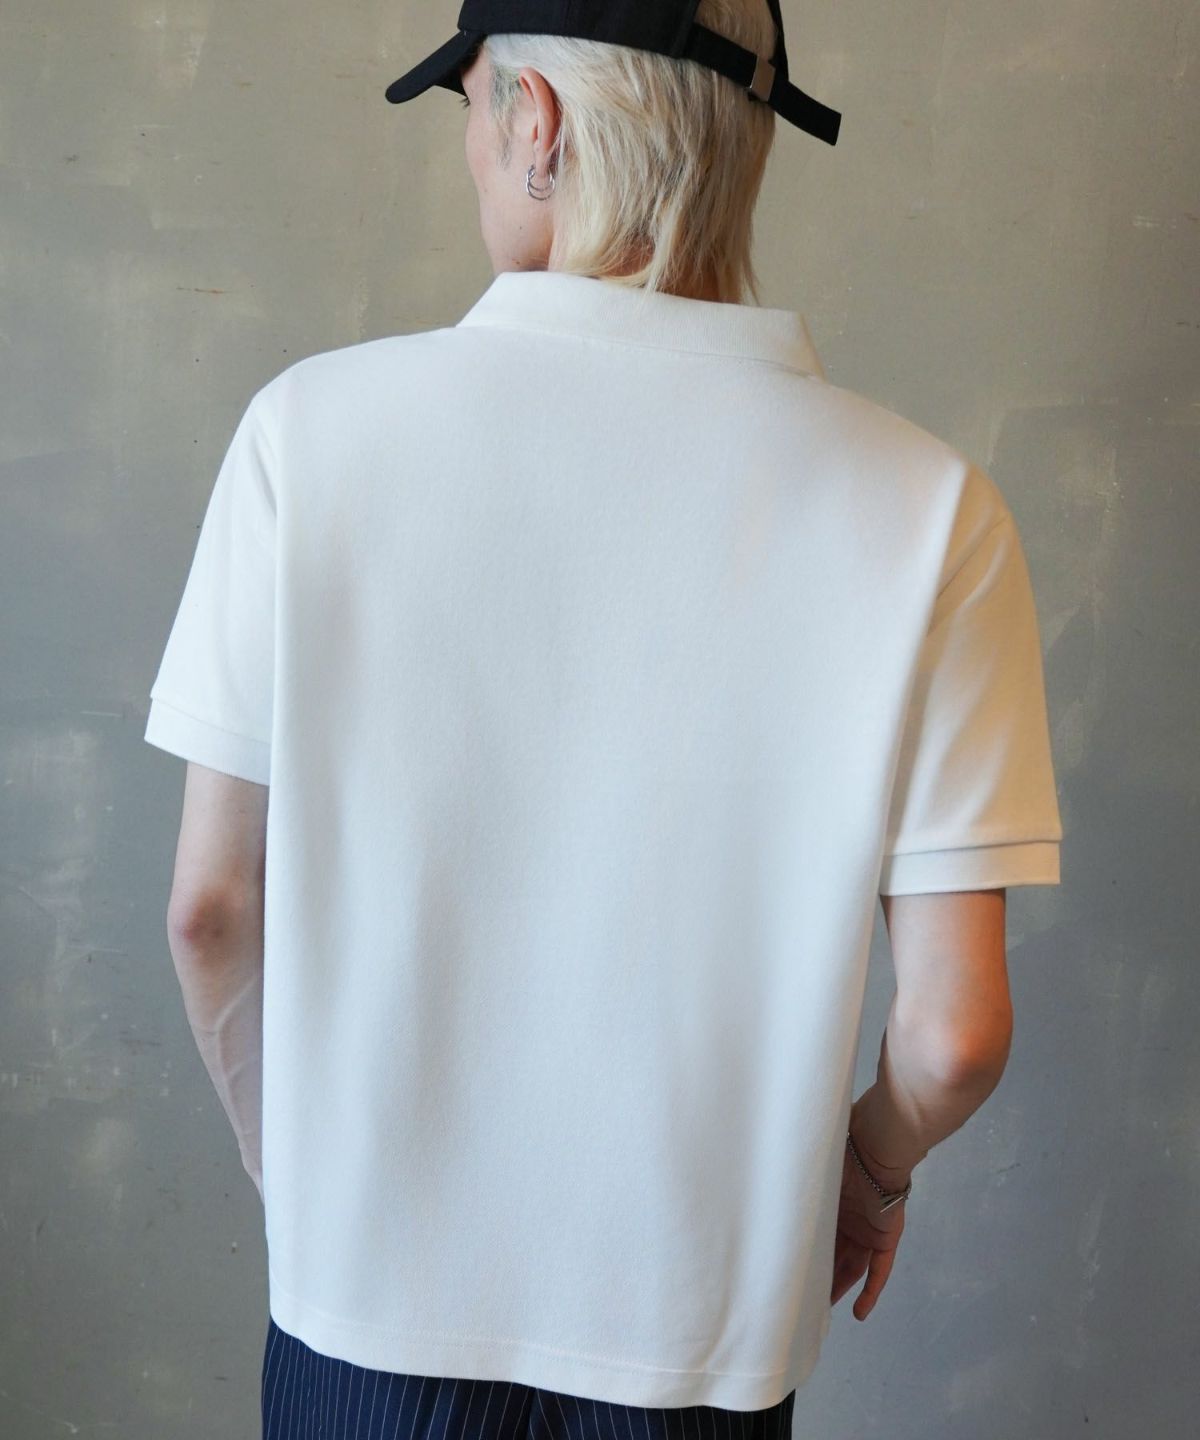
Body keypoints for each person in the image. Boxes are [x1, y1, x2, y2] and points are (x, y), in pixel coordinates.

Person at [143, 4, 1064, 1438]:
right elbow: (954, 1036)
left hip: (362, 1333)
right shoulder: (934, 512)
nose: (470, 148)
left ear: (540, 125)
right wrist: (865, 1180)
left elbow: (212, 911)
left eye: (470, 106)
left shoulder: (307, 436)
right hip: (699, 1361)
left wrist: (307, 1186)